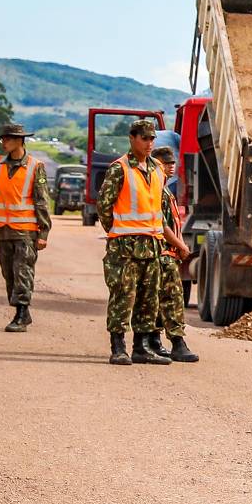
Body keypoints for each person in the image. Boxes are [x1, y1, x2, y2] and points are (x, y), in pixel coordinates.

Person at [95, 117, 170, 365]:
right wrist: (116, 231)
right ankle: (118, 347)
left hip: (152, 244)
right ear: (133, 138)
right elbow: (104, 206)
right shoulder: (119, 168)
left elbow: (160, 205)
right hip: (125, 246)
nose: (149, 143)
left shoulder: (158, 169)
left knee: (149, 299)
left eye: (152, 139)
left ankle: (142, 347)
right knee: (123, 296)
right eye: (144, 138)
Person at [0, 122, 50, 332]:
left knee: (22, 272)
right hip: (3, 230)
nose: (3, 142)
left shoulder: (36, 166)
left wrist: (43, 232)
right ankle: (22, 312)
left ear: (20, 140)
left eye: (7, 138)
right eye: (3, 138)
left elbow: (42, 201)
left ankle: (20, 313)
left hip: (26, 232)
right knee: (8, 272)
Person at [138, 140, 199, 363]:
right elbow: (162, 226)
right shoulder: (158, 192)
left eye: (173, 163)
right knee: (172, 300)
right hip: (162, 254)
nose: (171, 167)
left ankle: (155, 340)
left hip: (167, 254)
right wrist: (181, 246)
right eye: (166, 163)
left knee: (159, 300)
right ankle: (176, 343)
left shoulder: (164, 191)